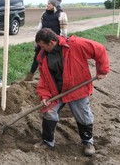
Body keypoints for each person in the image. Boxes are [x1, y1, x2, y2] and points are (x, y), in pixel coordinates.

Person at [34, 28, 109, 156]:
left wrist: (102, 70)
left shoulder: (75, 45)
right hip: (56, 92)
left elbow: (100, 49)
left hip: (77, 89)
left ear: (51, 42)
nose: (41, 49)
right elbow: (44, 79)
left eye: (42, 46)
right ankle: (48, 142)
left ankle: (87, 142)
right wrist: (45, 96)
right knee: (49, 112)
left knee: (83, 115)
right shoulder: (43, 56)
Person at [24, 0, 68, 81]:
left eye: (49, 4)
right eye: (47, 3)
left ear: (54, 5)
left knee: (53, 61)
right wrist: (36, 41)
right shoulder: (44, 14)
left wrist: (60, 43)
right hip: (42, 40)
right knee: (37, 58)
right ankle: (30, 76)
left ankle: (55, 78)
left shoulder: (61, 15)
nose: (47, 5)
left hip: (53, 42)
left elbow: (63, 32)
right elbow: (39, 28)